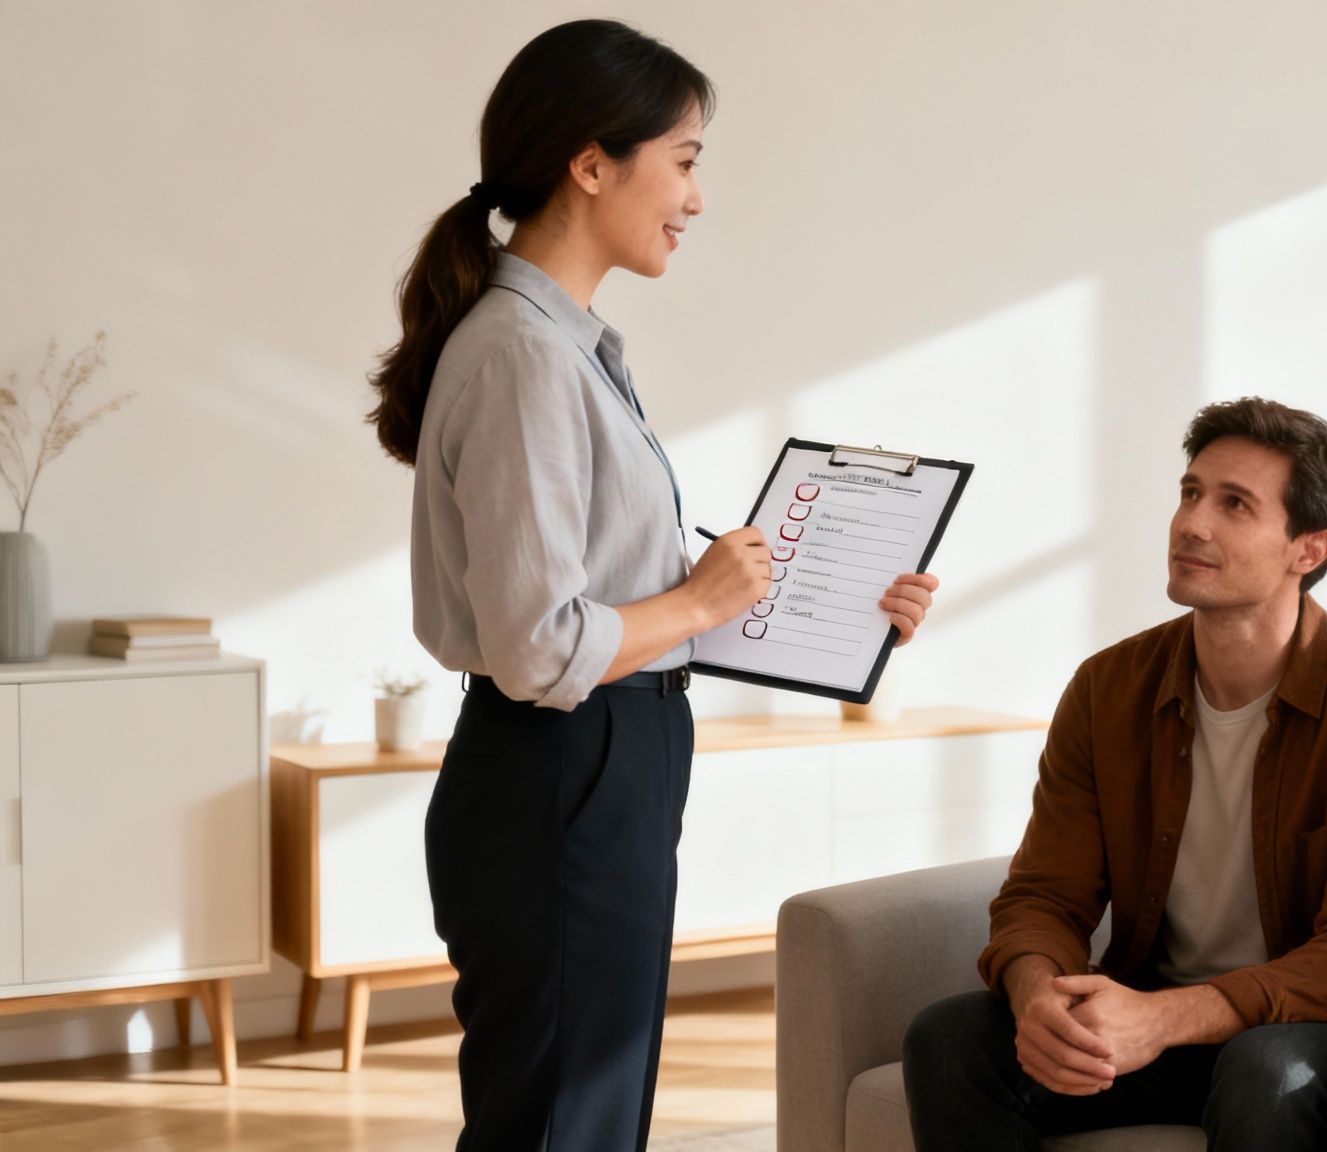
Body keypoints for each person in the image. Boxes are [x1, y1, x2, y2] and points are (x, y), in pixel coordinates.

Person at [366, 20, 939, 1151]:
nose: (696, 196)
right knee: (565, 1124)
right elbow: (540, 646)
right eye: (683, 159)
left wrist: (830, 612)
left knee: (588, 1112)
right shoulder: (526, 354)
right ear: (591, 164)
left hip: (595, 770)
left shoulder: (571, 344)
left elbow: (619, 603)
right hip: (562, 771)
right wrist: (696, 599)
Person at [901, 397, 1327, 1152]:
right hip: (1150, 1011)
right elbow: (1045, 894)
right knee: (952, 1038)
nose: (1193, 523)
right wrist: (1039, 998)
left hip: (1310, 1033)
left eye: (1235, 505)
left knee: (1265, 1071)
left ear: (1308, 550)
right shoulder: (1108, 687)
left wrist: (1165, 1019)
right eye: (1191, 493)